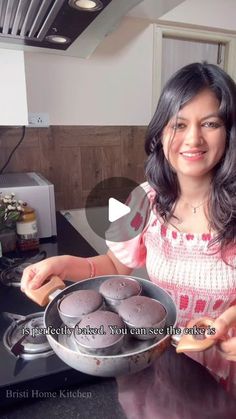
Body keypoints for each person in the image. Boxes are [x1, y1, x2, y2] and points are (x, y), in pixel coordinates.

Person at [21, 62, 236, 396]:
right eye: (179, 124)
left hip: (224, 376)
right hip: (158, 364)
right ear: (162, 133)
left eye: (210, 124)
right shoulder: (144, 200)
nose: (193, 138)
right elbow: (114, 267)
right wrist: (61, 263)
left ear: (229, 132)